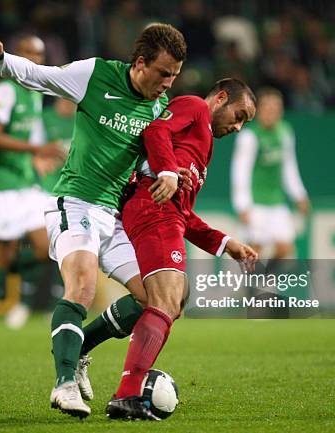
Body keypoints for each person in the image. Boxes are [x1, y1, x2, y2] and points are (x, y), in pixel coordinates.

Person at [0, 23, 187, 418]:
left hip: (113, 215)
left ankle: (81, 347)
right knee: (82, 288)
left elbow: (145, 158)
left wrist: (167, 172)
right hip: (76, 203)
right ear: (140, 63)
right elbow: (41, 76)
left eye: (174, 75)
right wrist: (1, 61)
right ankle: (64, 384)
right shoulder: (96, 74)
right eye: (163, 73)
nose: (168, 83)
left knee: (157, 299)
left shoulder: (159, 106)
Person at [78, 78, 259, 420]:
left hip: (166, 213)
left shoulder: (204, 146)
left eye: (244, 123)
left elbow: (183, 211)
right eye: (239, 115)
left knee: (167, 298)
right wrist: (166, 171)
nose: (237, 126)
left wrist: (224, 242)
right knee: (166, 298)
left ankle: (80, 347)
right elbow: (155, 131)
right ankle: (127, 395)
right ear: (220, 97)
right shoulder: (193, 106)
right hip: (152, 209)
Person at [0, 34, 66, 344]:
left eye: (38, 54)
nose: (33, 59)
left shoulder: (34, 94)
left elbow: (27, 138)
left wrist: (36, 158)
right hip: (0, 184)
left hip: (24, 182)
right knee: (5, 254)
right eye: (26, 53)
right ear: (15, 55)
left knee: (45, 246)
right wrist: (36, 148)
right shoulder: (6, 90)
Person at [232, 87, 309, 259]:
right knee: (254, 249)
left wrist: (299, 195)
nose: (271, 112)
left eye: (276, 108)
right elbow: (240, 172)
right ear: (259, 110)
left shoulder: (285, 132)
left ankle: (262, 280)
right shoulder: (249, 136)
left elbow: (289, 167)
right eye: (267, 108)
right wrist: (242, 205)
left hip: (277, 201)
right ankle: (252, 284)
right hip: (256, 202)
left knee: (285, 248)